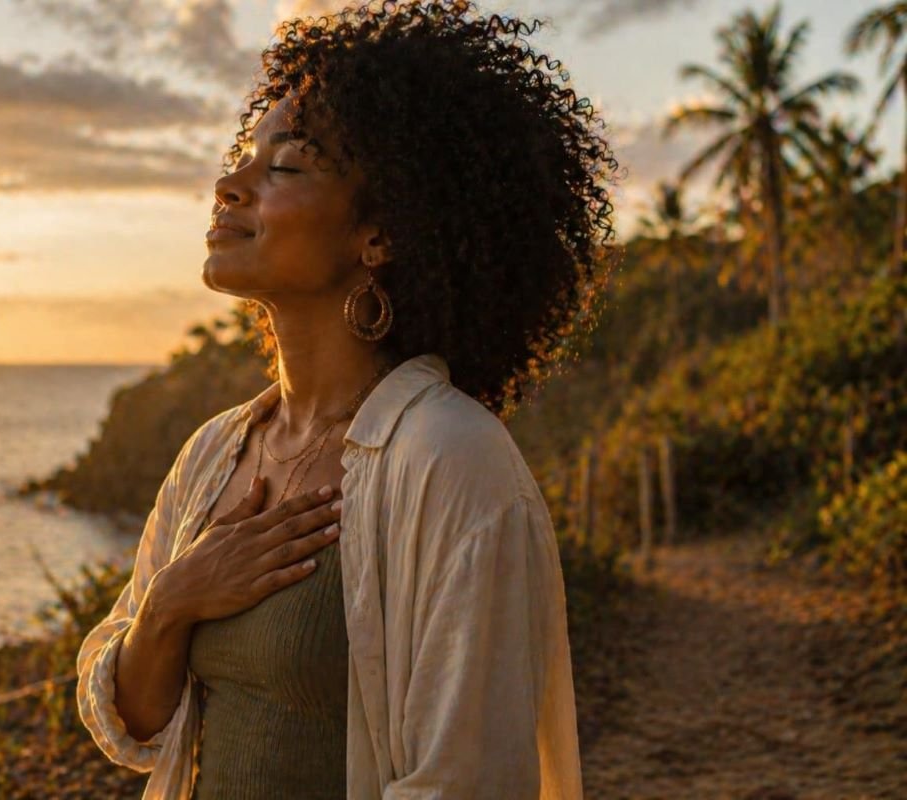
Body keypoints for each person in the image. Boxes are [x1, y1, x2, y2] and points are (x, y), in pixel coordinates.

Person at [76, 1, 618, 797]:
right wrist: (171, 603)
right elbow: (135, 724)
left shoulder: (451, 459)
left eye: (285, 167)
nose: (229, 186)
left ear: (380, 235)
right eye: (243, 159)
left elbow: (462, 783)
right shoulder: (217, 450)